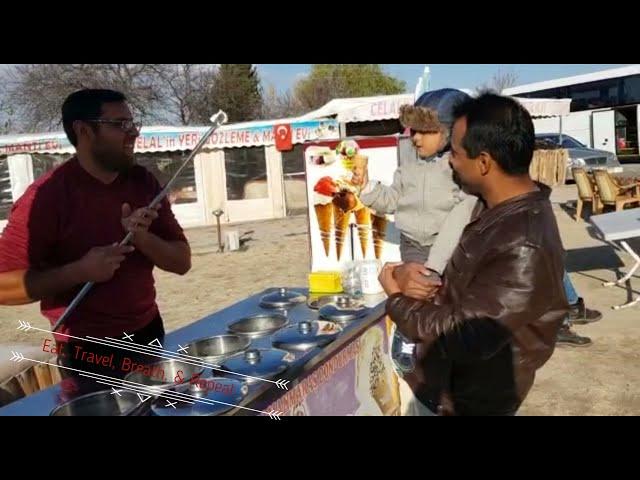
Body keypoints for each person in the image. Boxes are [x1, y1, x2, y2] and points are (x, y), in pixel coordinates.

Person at [378, 92, 569, 416]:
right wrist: (411, 273)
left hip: (469, 403)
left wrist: (396, 296)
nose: (449, 161)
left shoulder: (524, 244)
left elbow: (463, 334)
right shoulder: (489, 208)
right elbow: (461, 289)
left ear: (483, 162)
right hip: (447, 388)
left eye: (454, 152)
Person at [0, 89, 191, 392]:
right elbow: (3, 286)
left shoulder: (142, 182)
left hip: (148, 331)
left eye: (133, 123)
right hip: (87, 351)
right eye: (121, 125)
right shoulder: (46, 198)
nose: (134, 133)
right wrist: (80, 271)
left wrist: (142, 238)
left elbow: (182, 262)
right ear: (84, 130)